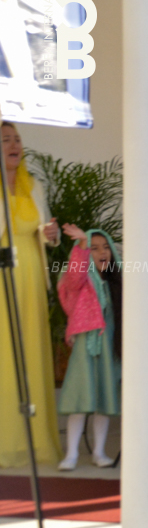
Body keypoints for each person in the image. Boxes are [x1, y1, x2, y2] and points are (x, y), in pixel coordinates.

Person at [0, 120, 62, 468]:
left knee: (31, 354)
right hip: (2, 277)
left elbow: (43, 231)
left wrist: (49, 233)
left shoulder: (34, 186)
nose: (14, 145)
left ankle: (34, 442)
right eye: (5, 140)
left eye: (17, 139)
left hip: (31, 278)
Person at [55, 225, 122, 470]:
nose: (102, 252)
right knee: (80, 398)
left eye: (106, 247)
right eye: (94, 249)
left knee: (104, 399)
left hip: (109, 349)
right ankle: (71, 454)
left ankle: (99, 452)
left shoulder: (116, 282)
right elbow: (74, 276)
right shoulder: (81, 282)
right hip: (85, 346)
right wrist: (82, 245)